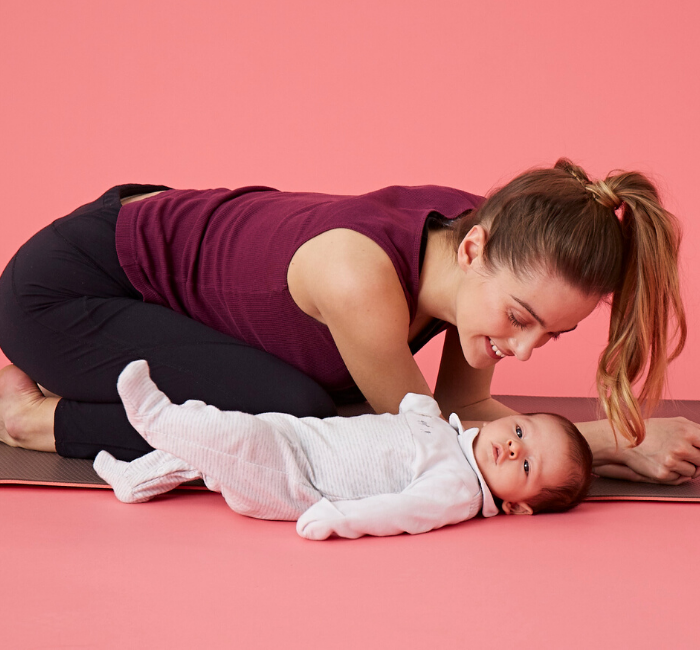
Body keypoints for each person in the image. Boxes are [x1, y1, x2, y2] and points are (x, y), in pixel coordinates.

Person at [0, 160, 696, 484]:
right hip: (67, 295)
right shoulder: (361, 279)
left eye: (551, 335)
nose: (523, 348)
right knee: (301, 414)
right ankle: (35, 421)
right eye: (520, 319)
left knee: (319, 396)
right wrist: (609, 442)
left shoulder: (478, 243)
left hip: (152, 279)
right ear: (477, 246)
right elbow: (424, 443)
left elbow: (463, 405)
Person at [94, 360, 593, 540]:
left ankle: (154, 417)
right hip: (302, 437)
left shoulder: (459, 488)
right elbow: (411, 418)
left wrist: (340, 519)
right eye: (522, 432)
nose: (511, 448)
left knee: (234, 438)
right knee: (211, 450)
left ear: (518, 504)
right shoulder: (450, 436)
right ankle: (136, 479)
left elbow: (401, 511)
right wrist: (419, 408)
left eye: (526, 466)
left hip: (298, 482)